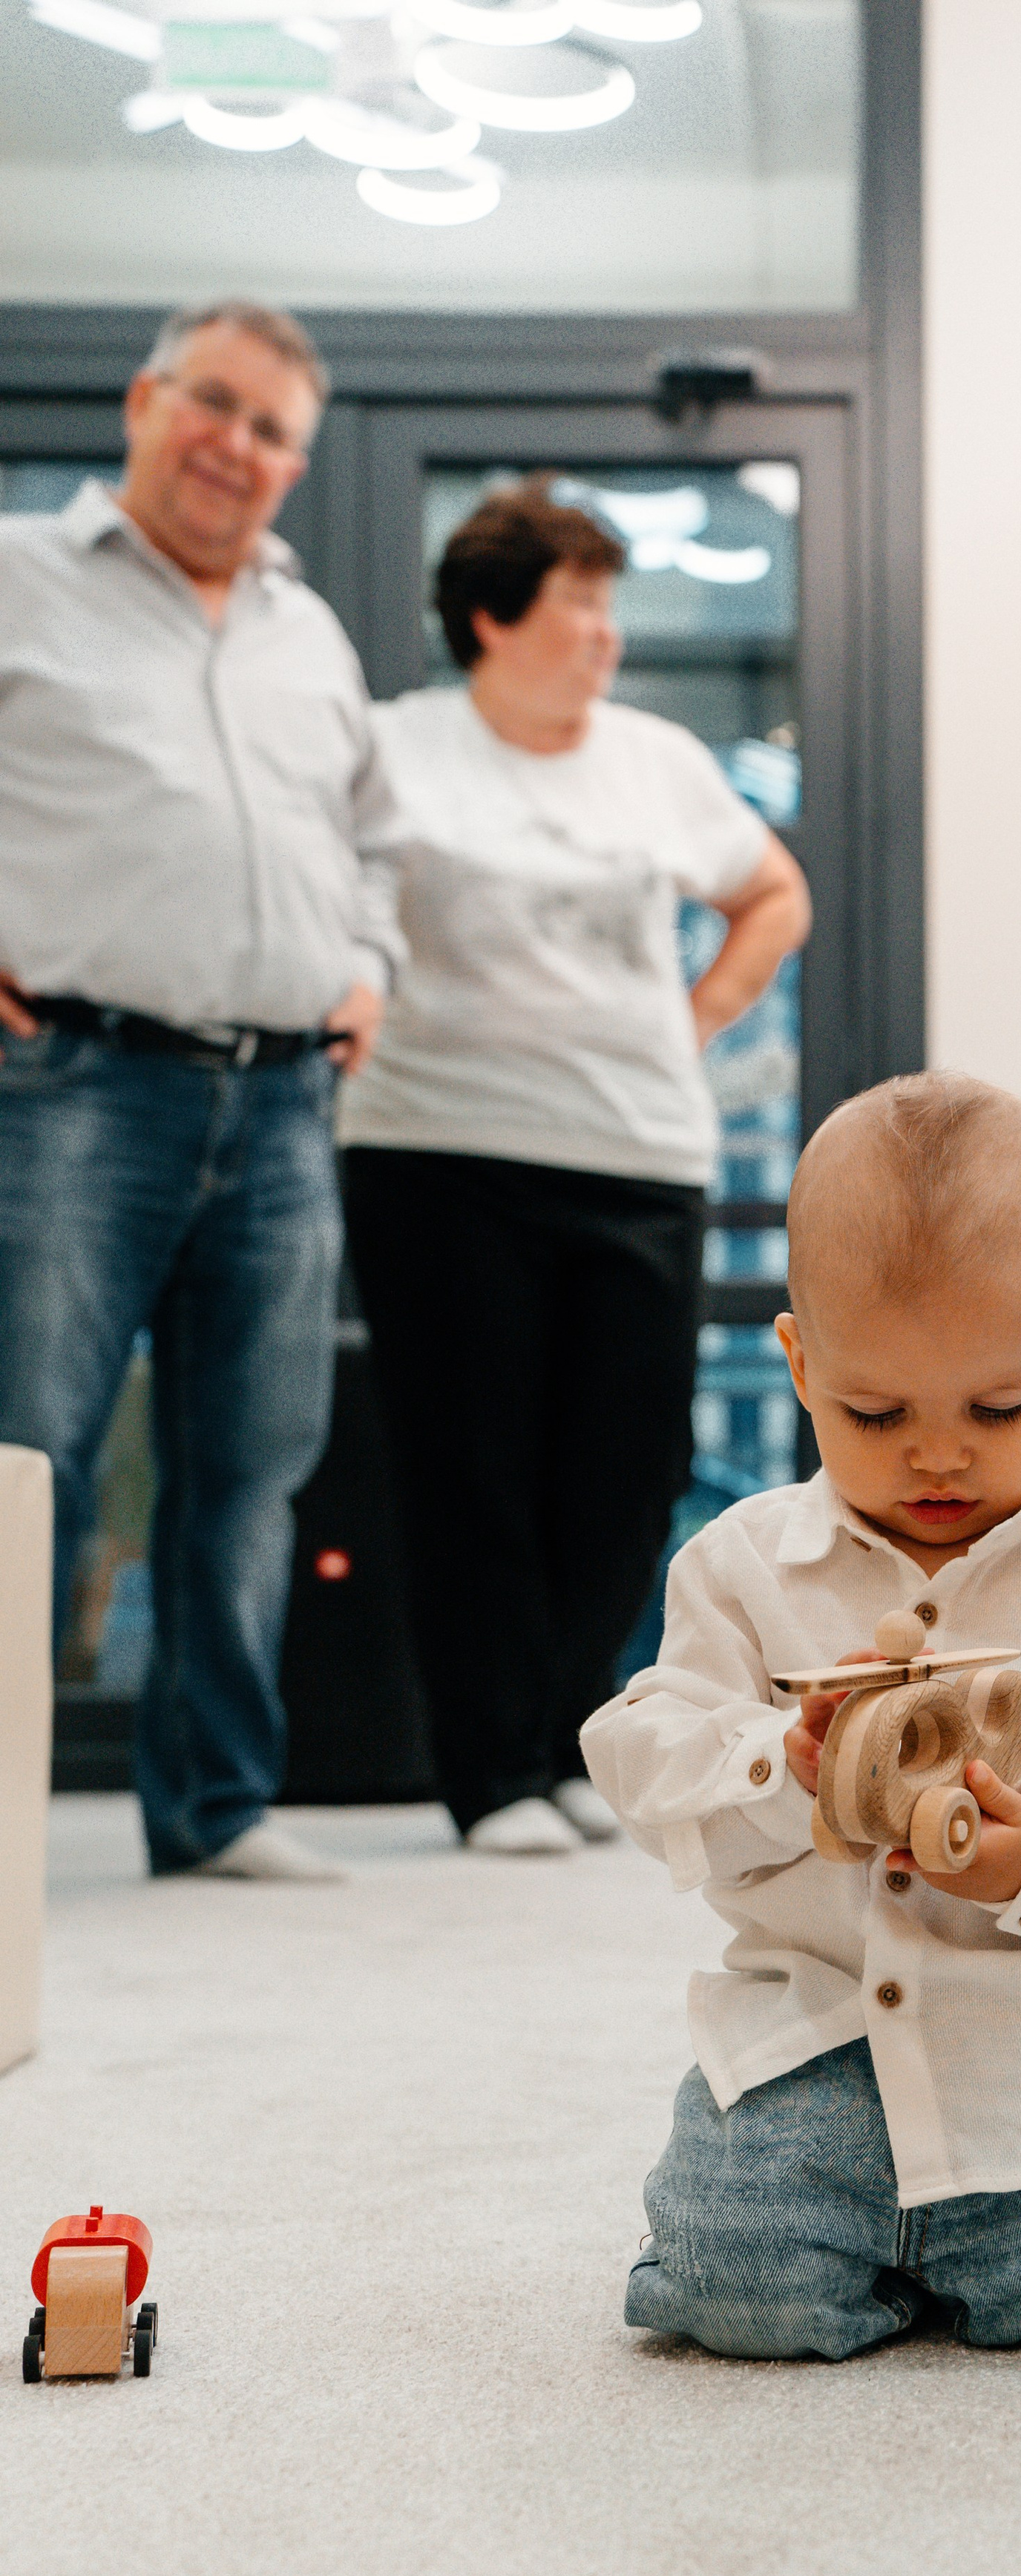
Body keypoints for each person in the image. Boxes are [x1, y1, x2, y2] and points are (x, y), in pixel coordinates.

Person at [579, 1073, 1021, 2362]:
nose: (937, 1457)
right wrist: (779, 1769)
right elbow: (641, 1747)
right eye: (875, 1414)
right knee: (730, 2281)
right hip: (815, 2050)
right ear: (798, 1364)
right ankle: (901, 2252)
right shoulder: (740, 1570)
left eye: (998, 1411)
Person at [340, 479, 810, 1857]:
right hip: (438, 1149)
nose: (605, 632)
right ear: (490, 618)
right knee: (470, 1467)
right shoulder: (395, 749)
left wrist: (698, 1011)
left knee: (626, 1462)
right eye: (577, 605)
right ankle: (488, 1774)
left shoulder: (656, 758)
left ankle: (563, 1738)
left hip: (634, 1150)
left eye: (611, 604)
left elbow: (774, 892)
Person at [0, 299, 401, 1884]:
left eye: (273, 430)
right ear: (144, 401)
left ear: (297, 466)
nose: (238, 448)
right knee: (33, 1456)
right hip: (76, 1087)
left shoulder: (310, 632)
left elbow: (374, 836)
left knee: (251, 1469)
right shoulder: (19, 577)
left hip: (288, 1103)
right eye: (215, 406)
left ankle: (216, 1804)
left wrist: (366, 959)